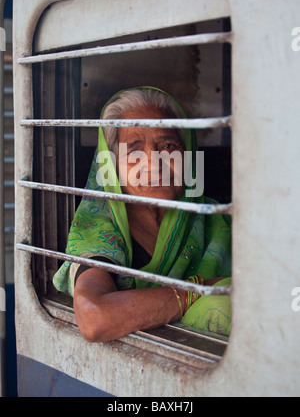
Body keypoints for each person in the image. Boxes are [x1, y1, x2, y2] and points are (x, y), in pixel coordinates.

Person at [53, 87, 232, 343]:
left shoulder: (217, 219)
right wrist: (198, 291)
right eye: (133, 150)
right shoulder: (101, 229)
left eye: (168, 145)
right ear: (113, 166)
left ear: (187, 153)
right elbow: (95, 318)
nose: (153, 161)